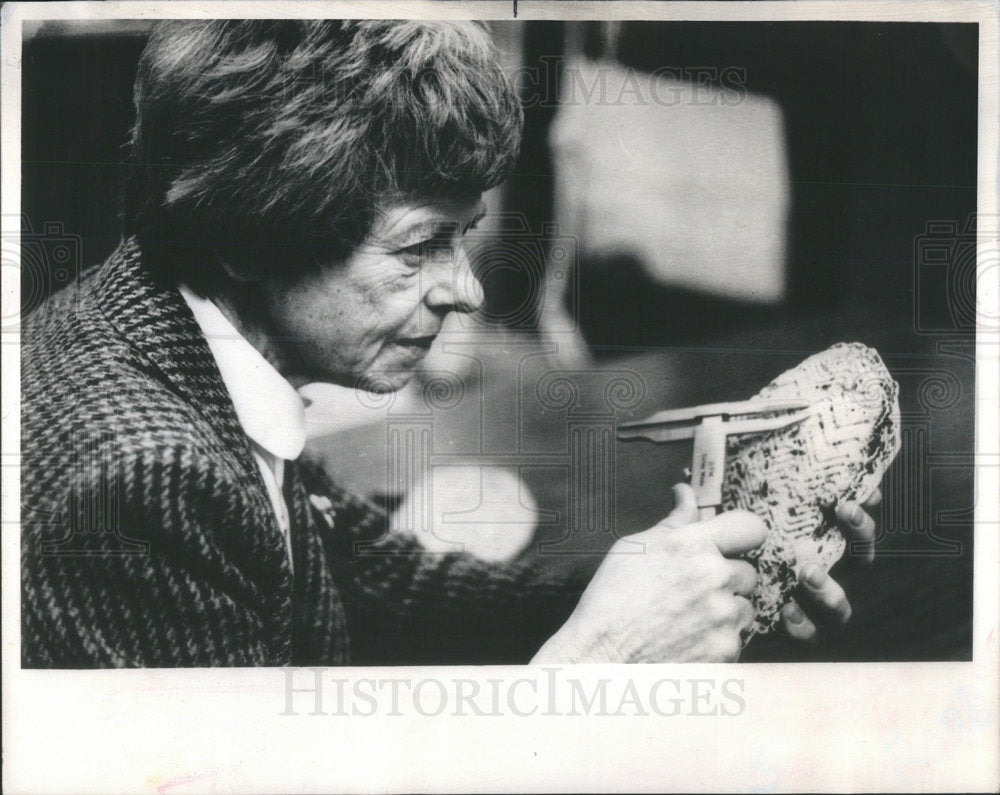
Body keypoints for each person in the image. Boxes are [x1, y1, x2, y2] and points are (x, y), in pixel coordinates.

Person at [20, 20, 879, 667]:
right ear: (250, 232)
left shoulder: (190, 345)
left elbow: (389, 587)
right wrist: (594, 667)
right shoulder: (141, 481)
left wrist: (674, 587)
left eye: (463, 240)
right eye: (417, 246)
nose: (466, 291)